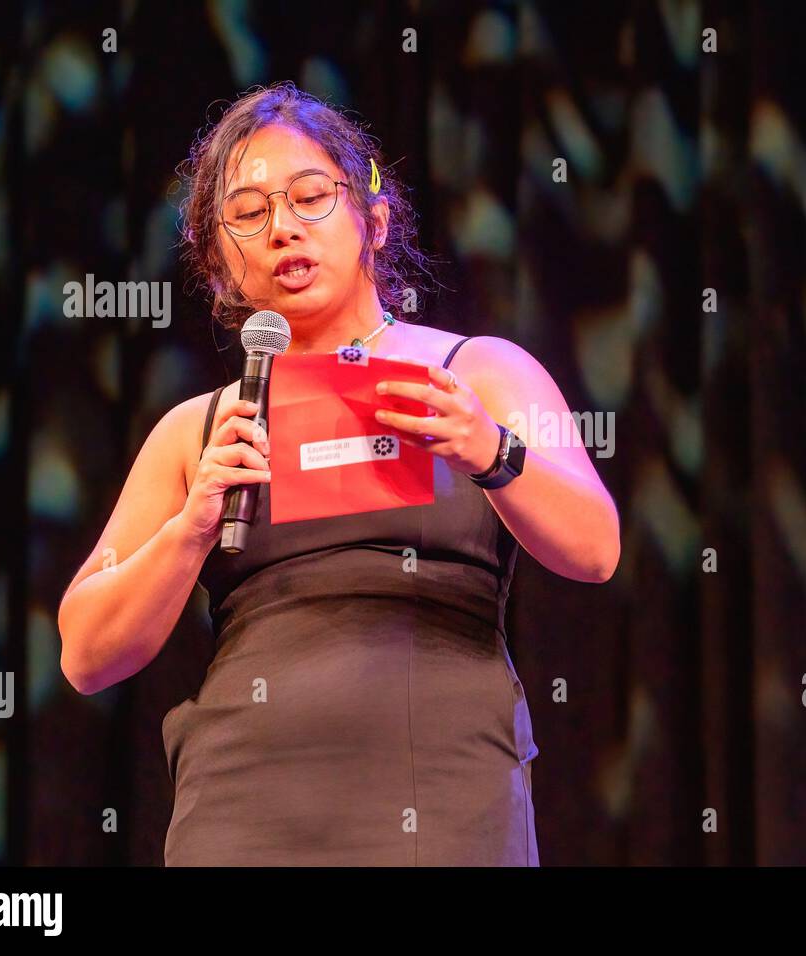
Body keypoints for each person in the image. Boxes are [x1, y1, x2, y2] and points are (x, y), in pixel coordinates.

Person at [55, 83, 621, 865]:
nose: (284, 227)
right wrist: (190, 530)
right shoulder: (200, 428)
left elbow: (595, 548)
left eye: (311, 196)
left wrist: (489, 449)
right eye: (249, 213)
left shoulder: (478, 372)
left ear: (375, 220)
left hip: (443, 794)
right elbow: (85, 654)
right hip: (243, 809)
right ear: (221, 270)